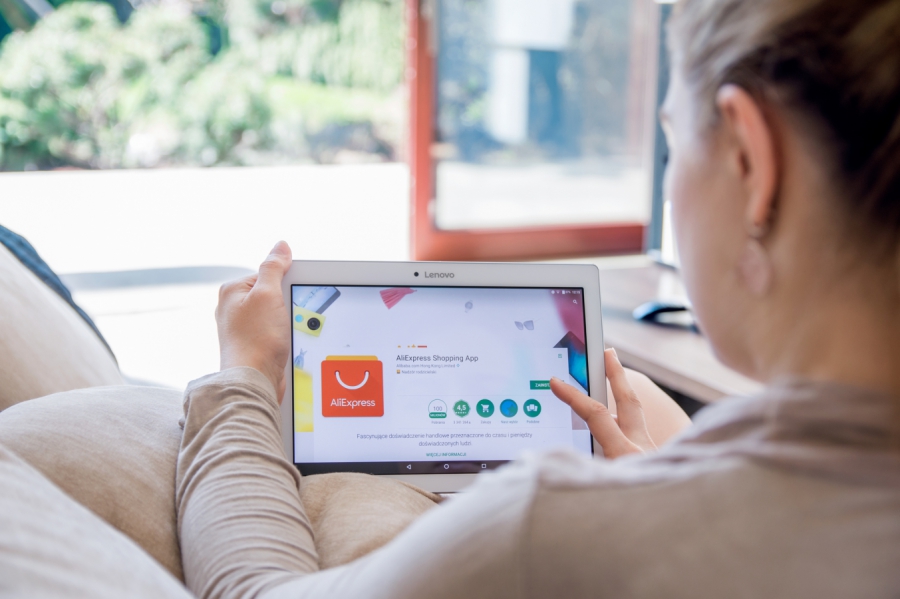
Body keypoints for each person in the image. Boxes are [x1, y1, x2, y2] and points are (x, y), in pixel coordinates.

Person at [176, 0, 900, 597]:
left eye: (673, 144)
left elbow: (252, 590)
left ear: (750, 160)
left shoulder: (560, 527)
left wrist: (241, 378)